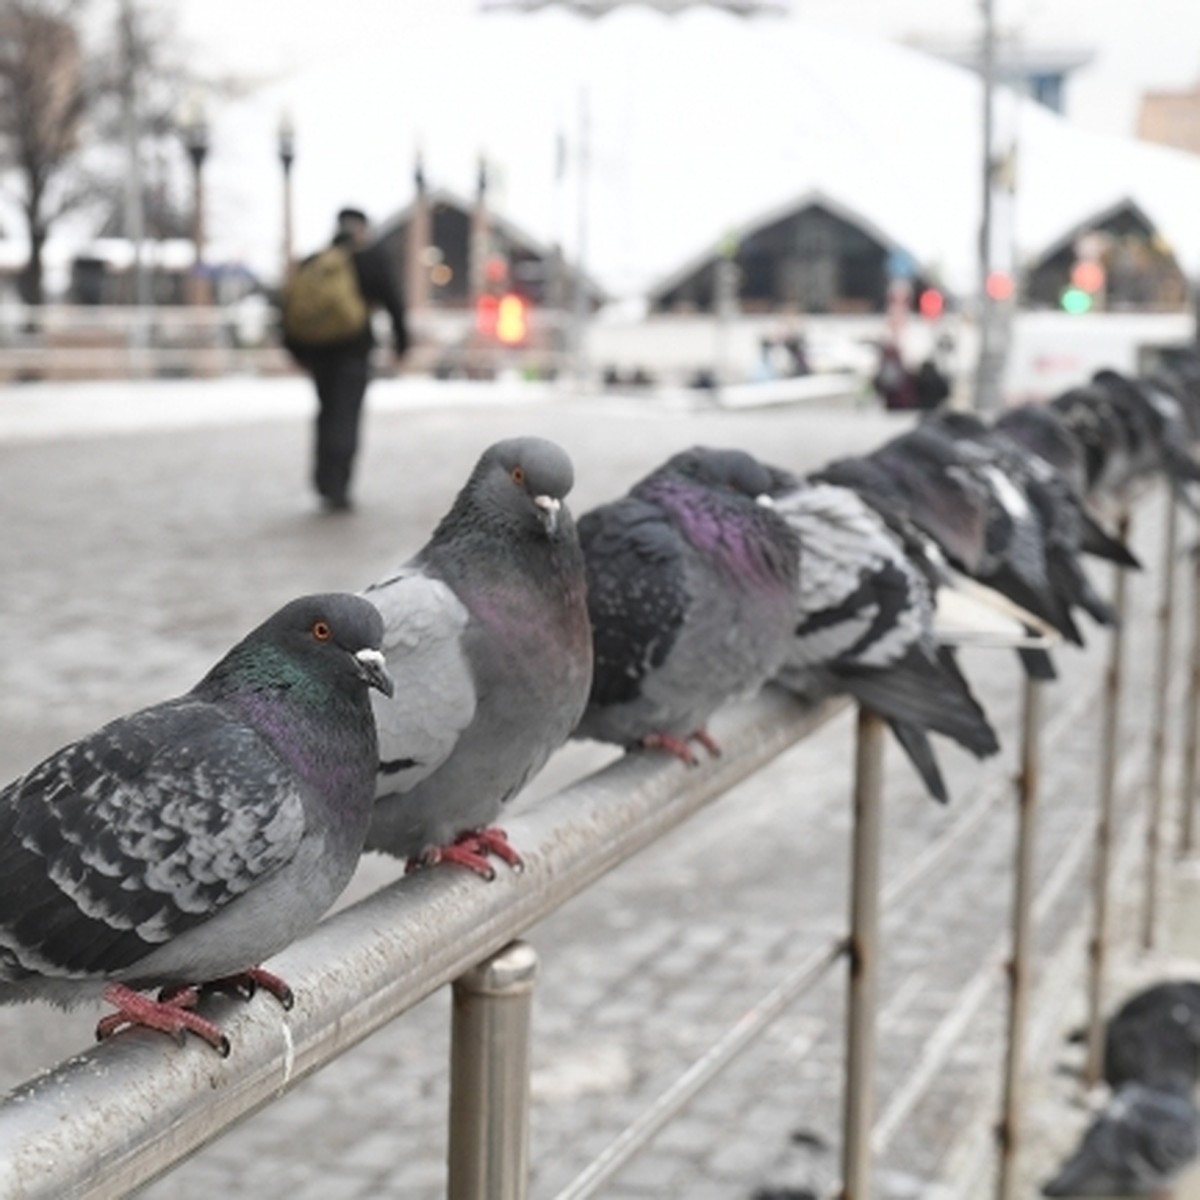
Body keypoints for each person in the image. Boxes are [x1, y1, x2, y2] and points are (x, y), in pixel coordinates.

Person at [283, 207, 409, 512]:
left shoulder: (314, 260)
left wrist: (296, 350)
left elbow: (290, 306)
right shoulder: (367, 259)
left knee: (326, 412)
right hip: (353, 351)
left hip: (318, 354)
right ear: (361, 229)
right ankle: (338, 486)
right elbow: (393, 299)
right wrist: (401, 342)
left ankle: (323, 480)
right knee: (346, 416)